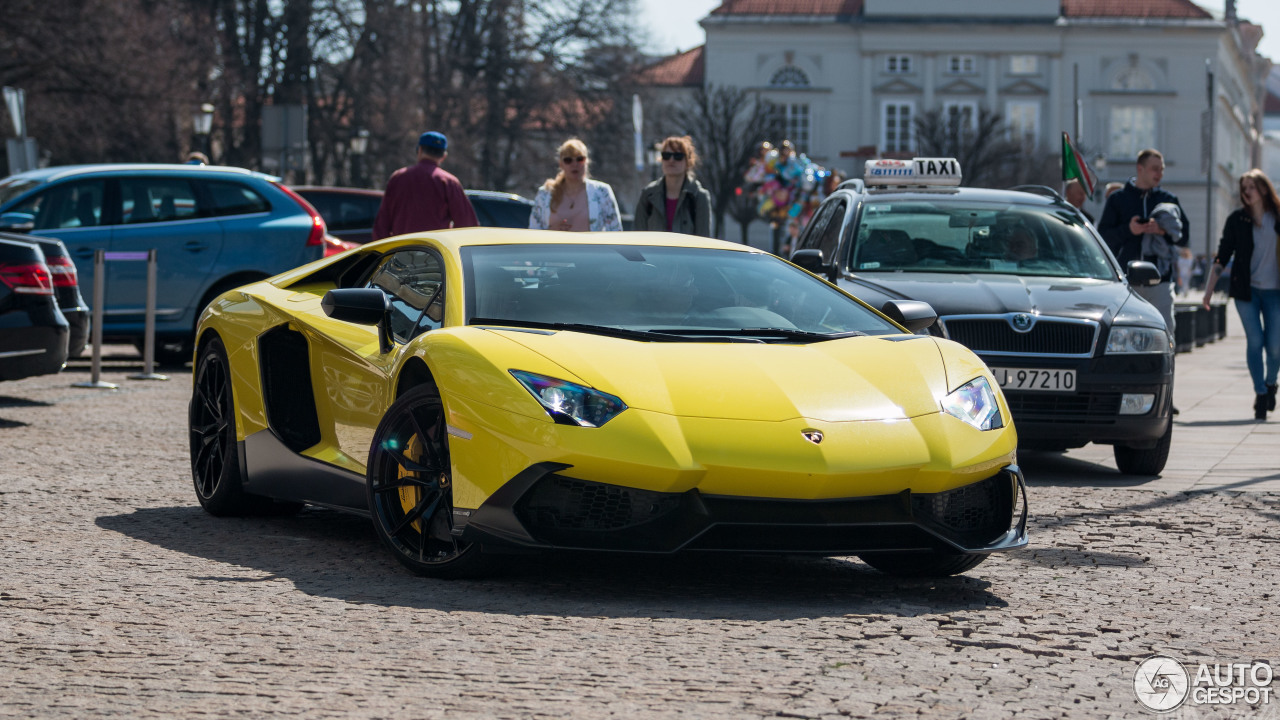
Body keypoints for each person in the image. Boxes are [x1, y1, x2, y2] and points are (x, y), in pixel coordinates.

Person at [1202, 169, 1280, 420]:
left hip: (1275, 292)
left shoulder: (1278, 216)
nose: (1246, 192)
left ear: (1264, 189)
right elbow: (1222, 256)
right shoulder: (1237, 219)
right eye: (1243, 188)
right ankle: (1260, 393)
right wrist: (1208, 290)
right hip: (1246, 291)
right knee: (1255, 342)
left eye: (1252, 187)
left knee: (1275, 347)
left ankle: (1270, 383)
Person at [1097, 149, 1189, 336]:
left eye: (1161, 169)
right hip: (1126, 282)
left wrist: (1162, 231)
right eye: (1155, 169)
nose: (1159, 174)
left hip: (1160, 281)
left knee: (1165, 334)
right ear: (1140, 169)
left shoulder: (1168, 200)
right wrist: (1128, 230)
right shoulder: (1118, 199)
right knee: (1124, 335)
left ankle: (1165, 367)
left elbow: (1184, 236)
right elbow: (1102, 239)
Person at [371, 131, 478, 240]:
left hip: (402, 251)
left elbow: (381, 226)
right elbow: (467, 224)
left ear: (420, 150)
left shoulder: (398, 178)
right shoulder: (449, 182)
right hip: (435, 252)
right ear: (443, 156)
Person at [529, 138, 622, 232]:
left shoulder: (602, 192)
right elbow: (532, 234)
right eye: (568, 160)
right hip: (556, 246)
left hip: (589, 246)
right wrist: (552, 230)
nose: (575, 164)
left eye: (580, 159)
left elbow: (616, 232)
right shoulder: (545, 194)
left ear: (587, 161)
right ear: (561, 164)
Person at [633, 135, 713, 237]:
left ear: (688, 161)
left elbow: (703, 240)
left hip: (686, 253)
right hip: (653, 253)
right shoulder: (648, 194)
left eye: (678, 156)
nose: (671, 160)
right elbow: (638, 237)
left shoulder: (699, 197)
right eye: (666, 155)